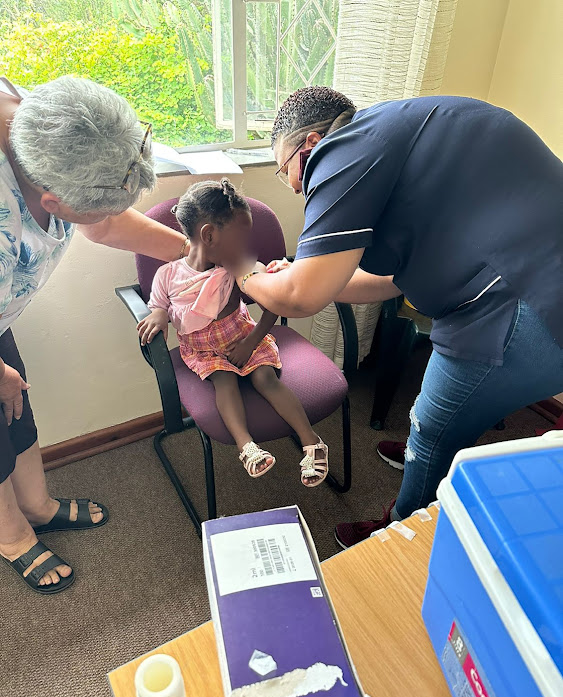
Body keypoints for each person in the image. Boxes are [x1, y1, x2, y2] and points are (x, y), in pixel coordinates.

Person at [235, 85, 563, 548]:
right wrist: (307, 276)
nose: (295, 186)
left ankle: (403, 529)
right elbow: (392, 278)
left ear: (308, 145)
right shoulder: (408, 125)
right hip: (535, 281)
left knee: (431, 427)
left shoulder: (338, 150)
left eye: (286, 171)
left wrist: (242, 270)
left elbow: (299, 299)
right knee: (447, 421)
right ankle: (433, 456)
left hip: (522, 307)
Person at [0, 76, 192, 593]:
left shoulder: (52, 122)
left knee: (18, 408)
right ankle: (12, 536)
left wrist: (194, 255)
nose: (107, 216)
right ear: (53, 202)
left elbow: (105, 225)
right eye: (98, 206)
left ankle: (36, 506)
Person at [137, 179, 329, 484]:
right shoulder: (168, 274)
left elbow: (273, 303)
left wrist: (252, 342)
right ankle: (247, 447)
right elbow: (158, 303)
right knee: (224, 381)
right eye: (239, 238)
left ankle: (312, 442)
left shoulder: (238, 267)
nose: (245, 247)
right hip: (203, 350)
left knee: (265, 378)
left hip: (244, 337)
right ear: (209, 235)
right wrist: (159, 315)